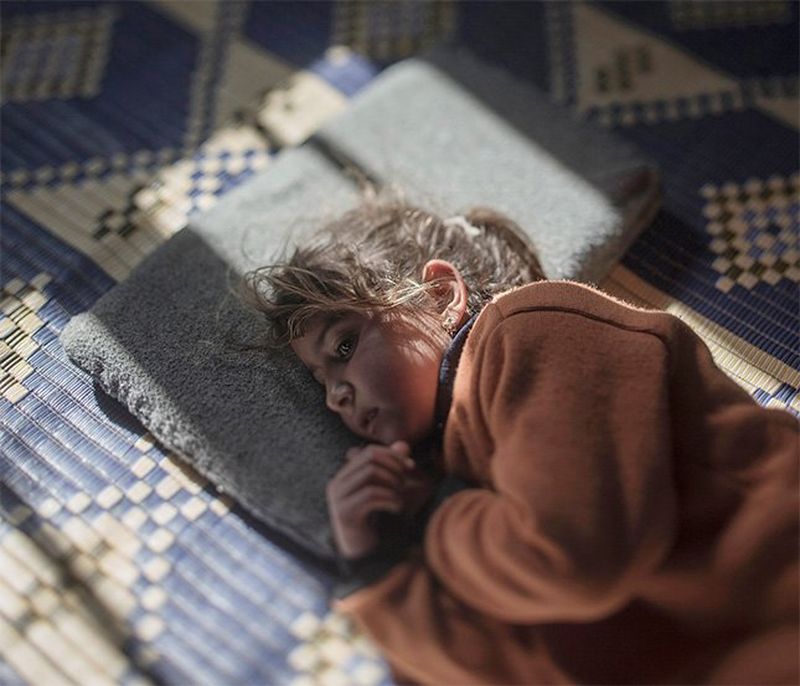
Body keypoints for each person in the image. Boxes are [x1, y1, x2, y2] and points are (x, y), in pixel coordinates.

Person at [242, 195, 799, 685]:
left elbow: (575, 561)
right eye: (323, 384)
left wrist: (439, 514)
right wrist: (377, 570)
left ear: (439, 296)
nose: (336, 396)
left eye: (342, 348)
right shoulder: (449, 476)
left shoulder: (532, 329)